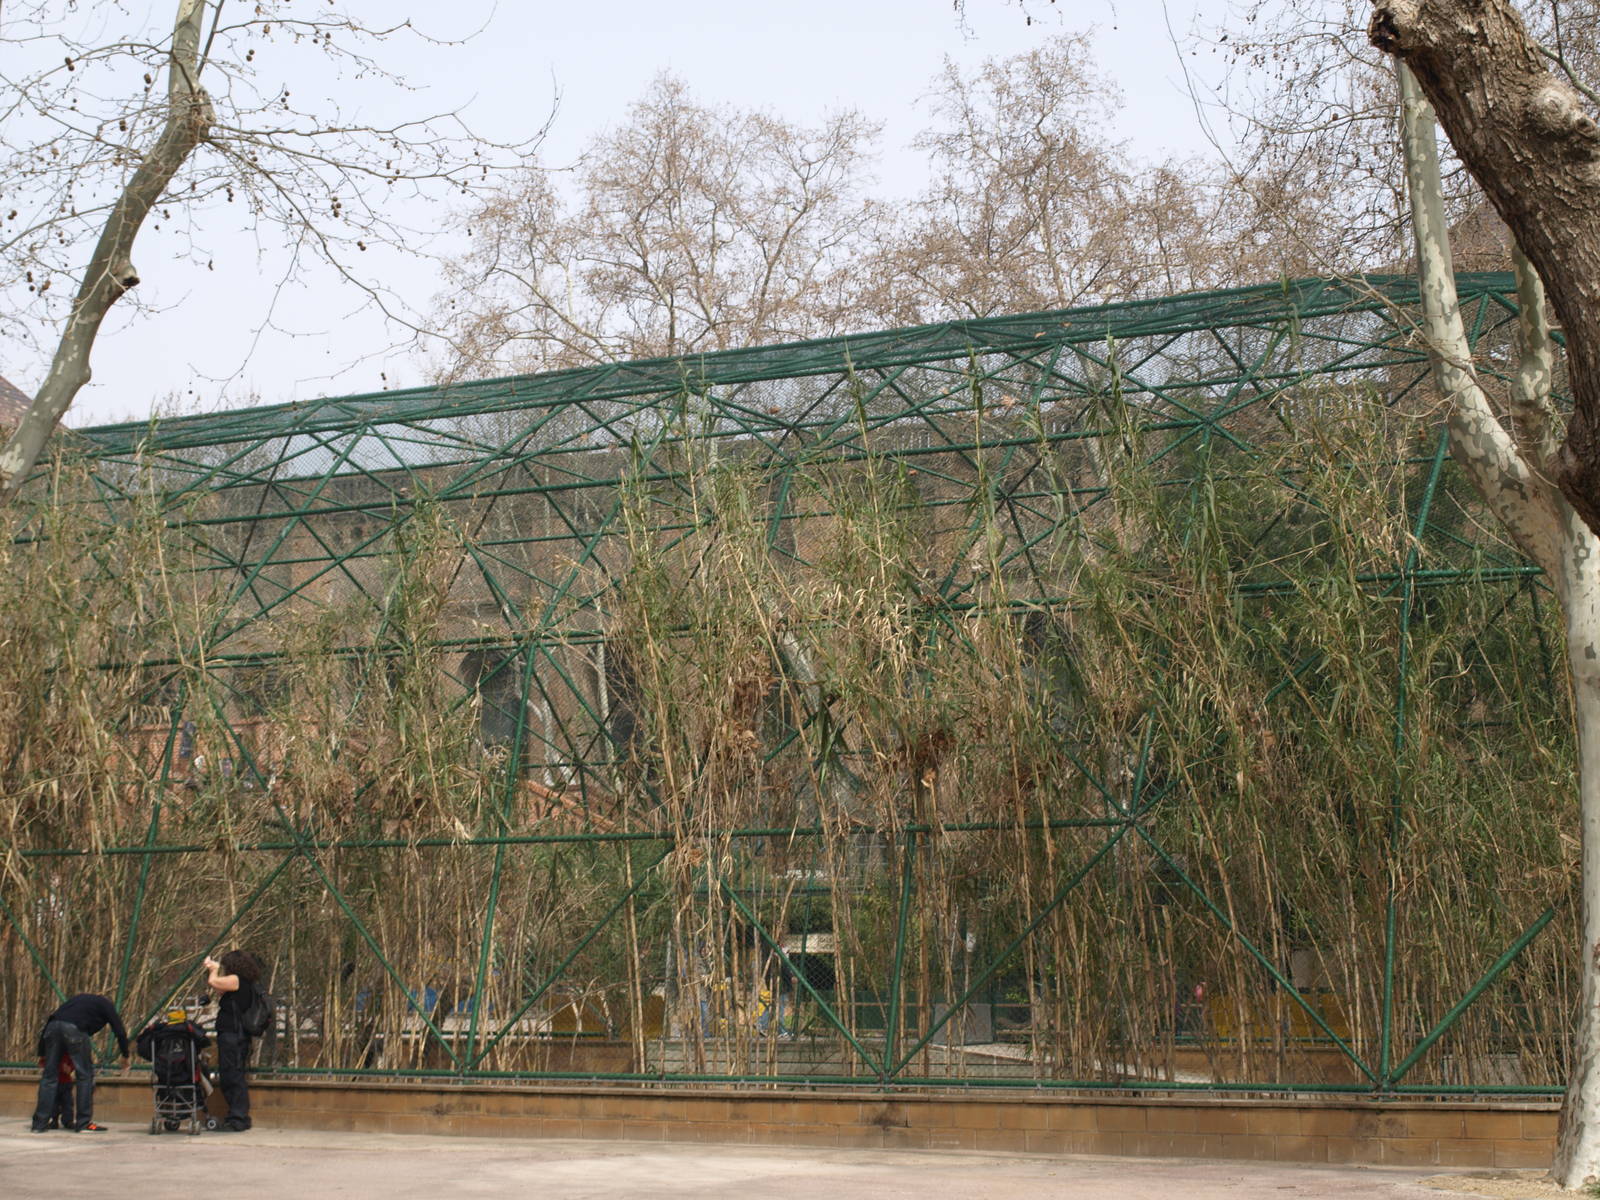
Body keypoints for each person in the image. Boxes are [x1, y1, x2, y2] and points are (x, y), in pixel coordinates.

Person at [30, 992, 130, 1133]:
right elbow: (119, 1030)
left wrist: (42, 1053)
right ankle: (83, 1123)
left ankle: (39, 1124)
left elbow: (52, 1019)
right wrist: (125, 1055)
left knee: (49, 1077)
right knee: (85, 1076)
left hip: (52, 1028)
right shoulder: (106, 1004)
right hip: (74, 1030)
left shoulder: (77, 999)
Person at [204, 950, 264, 1132]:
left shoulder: (237, 980)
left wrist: (213, 970)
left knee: (232, 1075)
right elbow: (219, 988)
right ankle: (237, 1116)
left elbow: (214, 982)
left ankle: (238, 1117)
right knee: (232, 1074)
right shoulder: (242, 982)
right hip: (233, 1034)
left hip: (233, 1035)